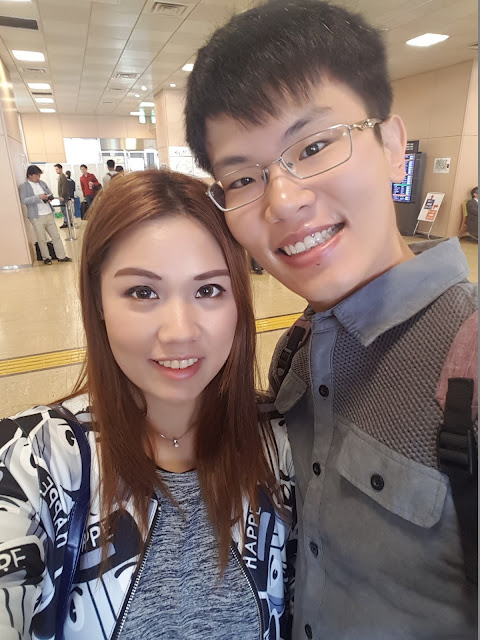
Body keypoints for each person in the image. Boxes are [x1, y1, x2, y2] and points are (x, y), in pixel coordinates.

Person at [184, 1, 478, 639]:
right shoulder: (297, 350)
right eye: (243, 179)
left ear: (392, 145)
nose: (284, 201)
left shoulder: (468, 366)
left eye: (314, 146)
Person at [1, 169, 295, 640]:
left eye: (208, 290)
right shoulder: (32, 461)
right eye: (143, 292)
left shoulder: (280, 444)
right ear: (98, 301)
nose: (179, 331)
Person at [19, 164, 72, 264]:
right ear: (30, 175)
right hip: (37, 216)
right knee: (41, 238)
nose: (38, 177)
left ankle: (61, 256)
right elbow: (24, 200)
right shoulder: (24, 186)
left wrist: (49, 197)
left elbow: (49, 192)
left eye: (39, 175)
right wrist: (38, 197)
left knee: (56, 236)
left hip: (48, 212)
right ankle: (46, 258)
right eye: (36, 175)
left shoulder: (42, 183)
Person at [54, 163, 72, 228]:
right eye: (55, 169)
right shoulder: (60, 177)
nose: (56, 171)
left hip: (63, 197)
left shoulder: (63, 177)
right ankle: (66, 221)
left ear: (60, 169)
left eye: (57, 169)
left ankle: (67, 222)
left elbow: (64, 187)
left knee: (64, 210)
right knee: (64, 210)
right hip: (61, 196)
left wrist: (62, 196)